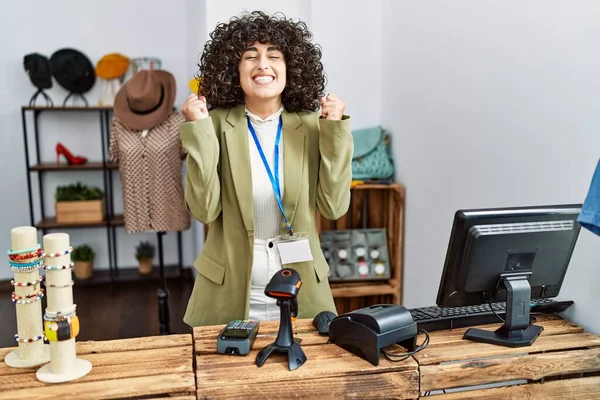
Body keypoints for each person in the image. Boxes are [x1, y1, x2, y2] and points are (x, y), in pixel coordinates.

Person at [179, 11, 353, 326]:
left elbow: (333, 207)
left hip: (300, 290)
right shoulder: (213, 124)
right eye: (250, 56)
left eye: (274, 56)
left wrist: (336, 131)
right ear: (234, 68)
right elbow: (204, 210)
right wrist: (200, 132)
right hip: (228, 292)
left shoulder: (315, 126)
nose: (263, 64)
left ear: (291, 68)